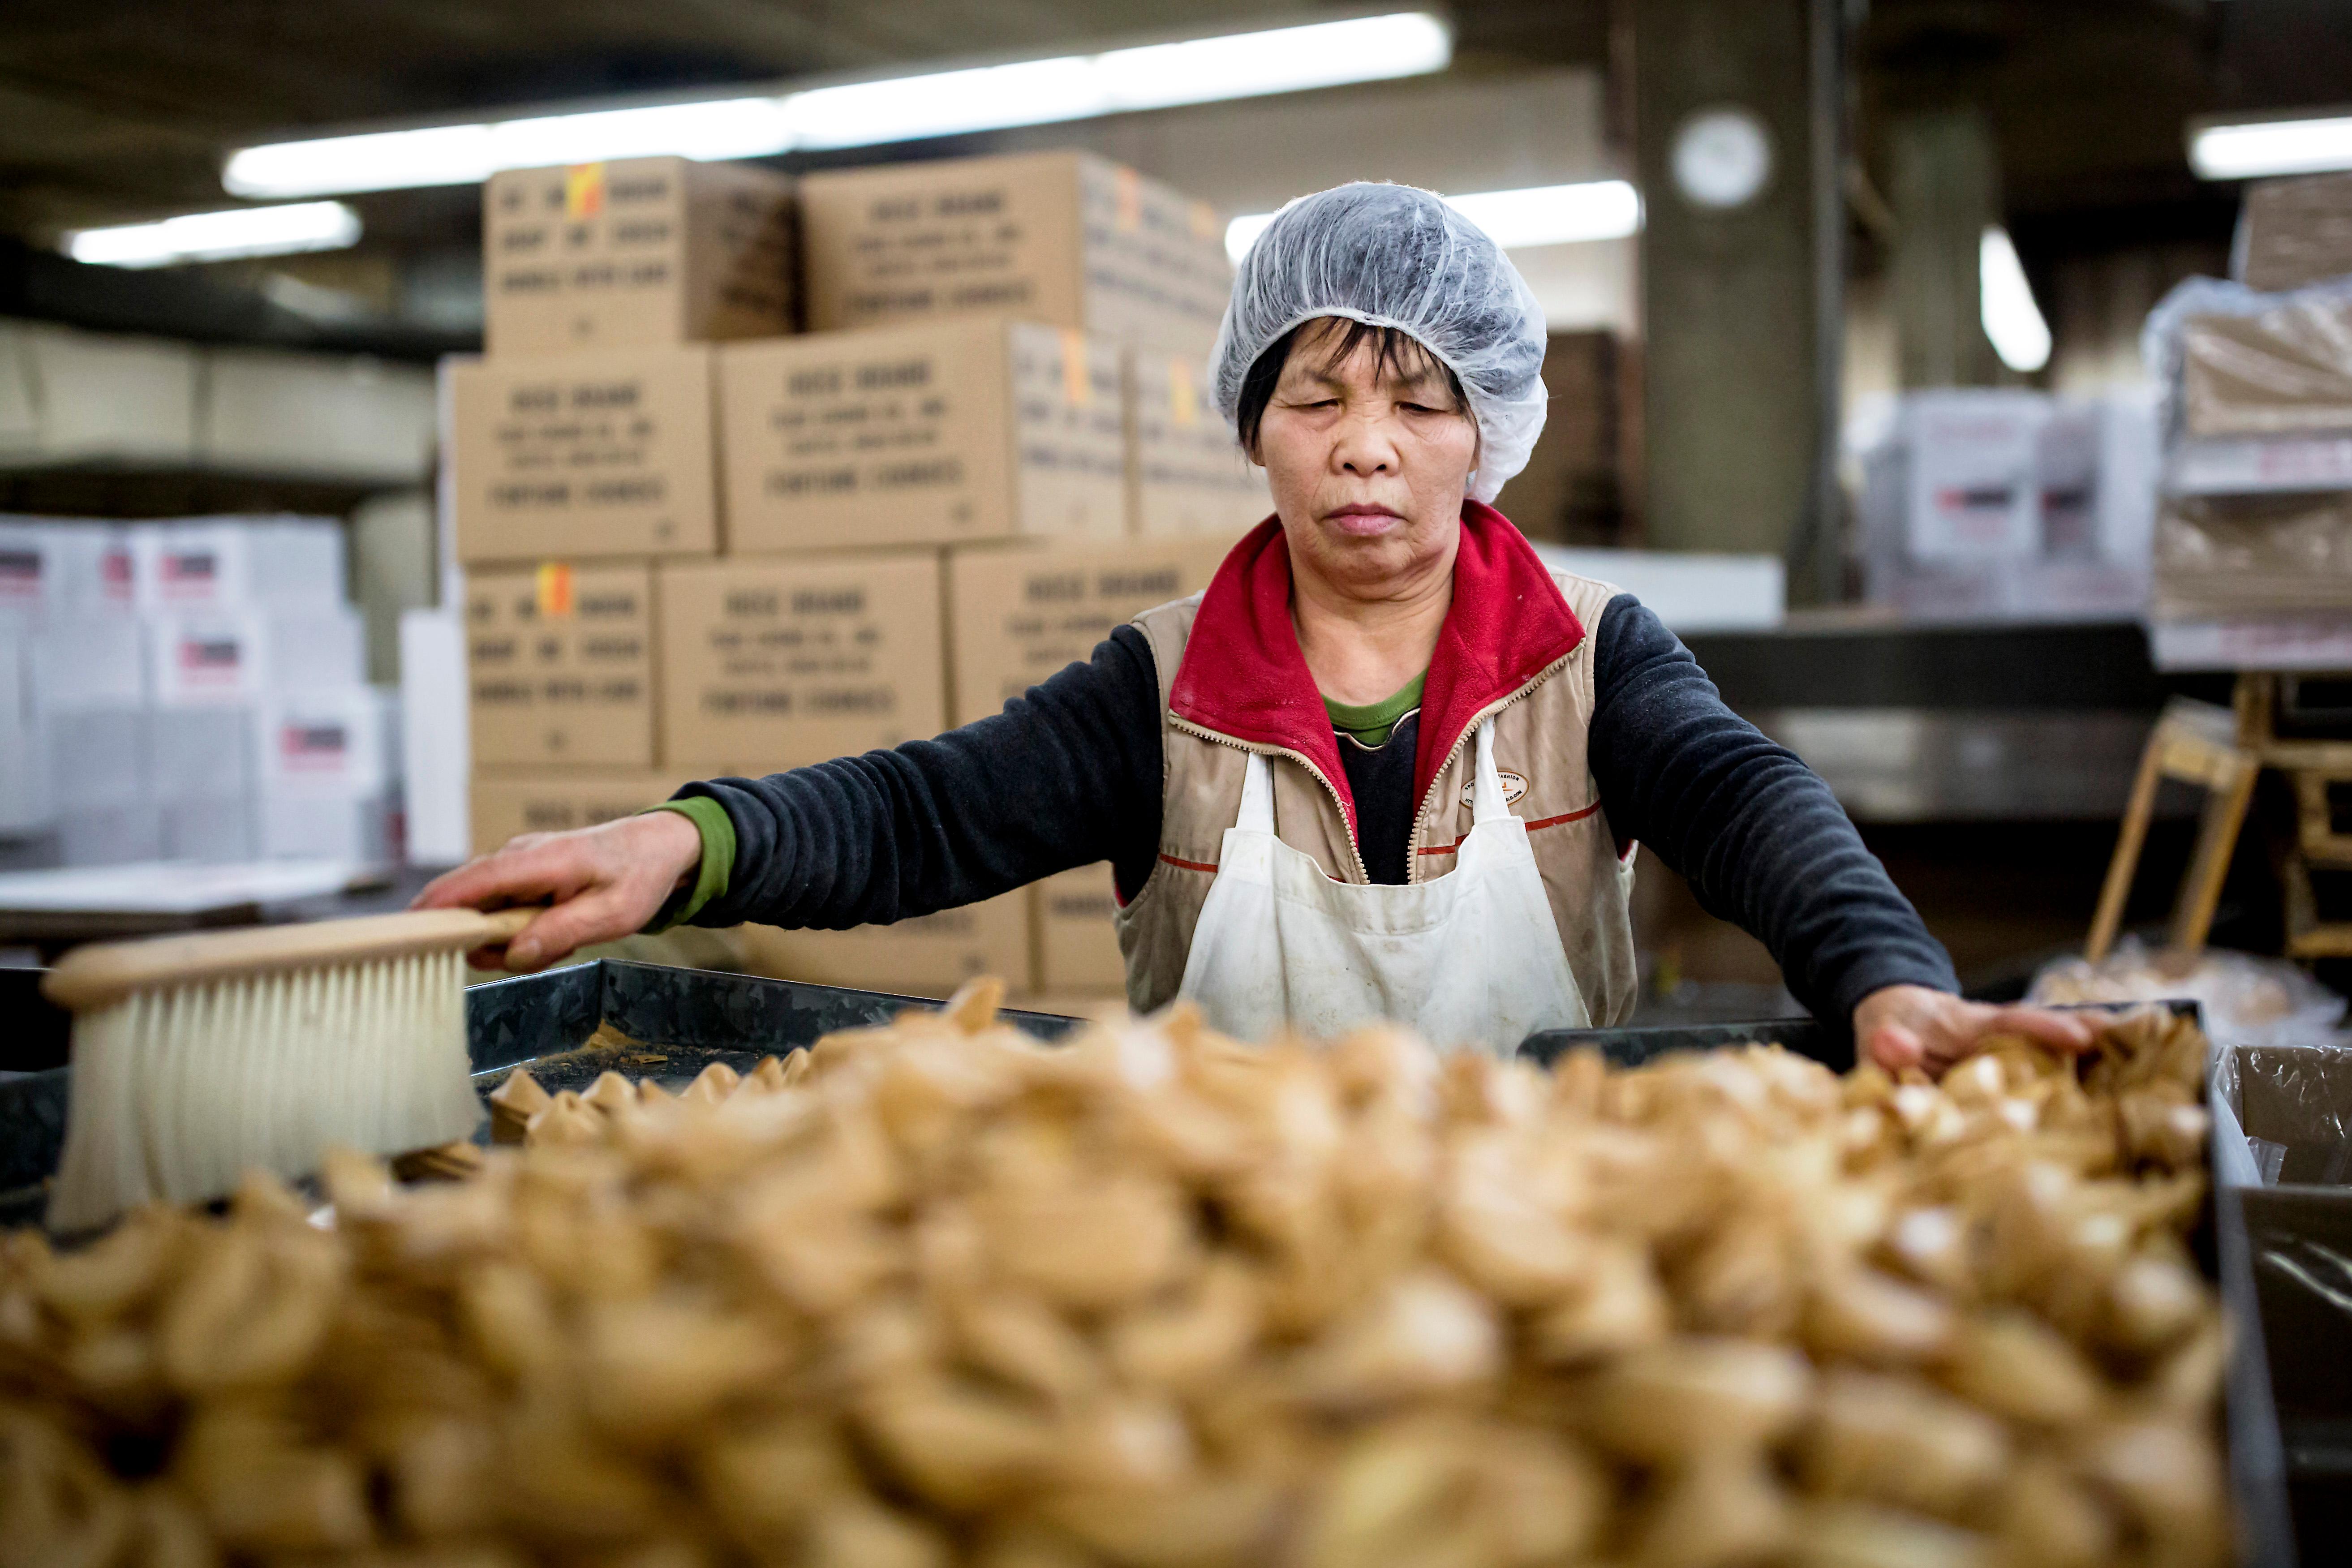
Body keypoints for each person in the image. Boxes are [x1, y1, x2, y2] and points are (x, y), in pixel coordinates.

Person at [421, 181, 2091, 1075]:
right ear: (1253, 426)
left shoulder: (1592, 656)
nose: (1367, 448)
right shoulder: (1156, 690)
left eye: (1419, 405)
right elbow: (924, 812)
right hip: (1230, 1256)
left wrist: (1884, 979)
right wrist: (684, 846)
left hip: (1544, 1242)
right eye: (1318, 399)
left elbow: (1747, 801)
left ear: (1486, 435)